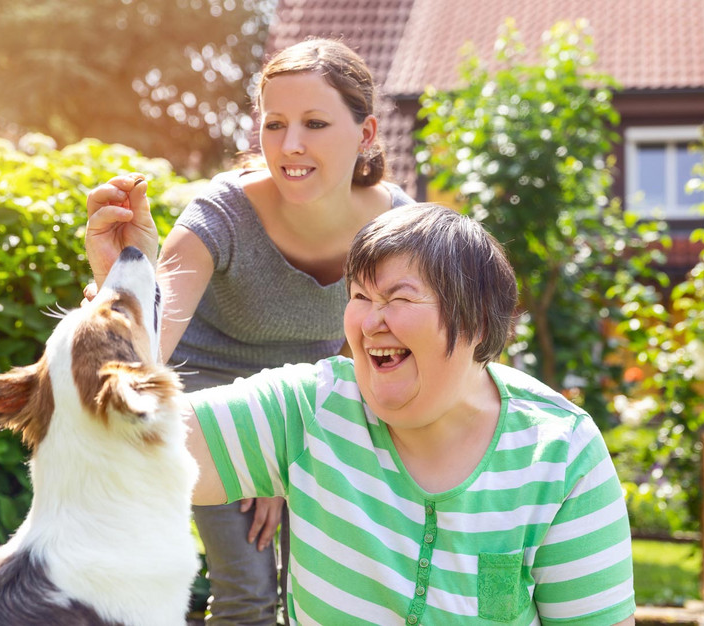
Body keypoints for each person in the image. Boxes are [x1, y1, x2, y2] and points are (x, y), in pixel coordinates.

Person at [85, 38, 415, 624]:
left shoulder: (395, 225)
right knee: (250, 591)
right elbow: (149, 345)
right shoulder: (221, 214)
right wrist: (117, 278)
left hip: (317, 397)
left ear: (365, 134)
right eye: (275, 124)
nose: (290, 146)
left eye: (315, 123)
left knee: (336, 593)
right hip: (206, 393)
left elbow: (373, 346)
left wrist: (293, 447)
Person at [180, 204, 637, 625]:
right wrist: (126, 286)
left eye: (399, 299)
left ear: (476, 321)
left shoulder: (560, 452)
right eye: (360, 296)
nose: (371, 321)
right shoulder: (311, 407)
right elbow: (139, 445)